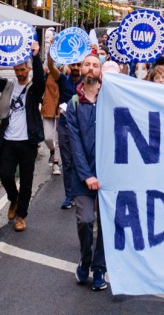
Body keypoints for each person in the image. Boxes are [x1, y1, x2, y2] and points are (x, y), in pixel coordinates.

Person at [0, 41, 45, 232]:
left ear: (27, 69)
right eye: (16, 70)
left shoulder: (34, 89)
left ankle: (21, 216)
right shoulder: (9, 86)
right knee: (5, 174)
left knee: (27, 180)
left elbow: (42, 79)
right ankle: (13, 198)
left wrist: (35, 56)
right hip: (9, 141)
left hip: (28, 142)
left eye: (22, 70)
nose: (19, 73)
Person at [67, 54, 108, 291]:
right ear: (80, 69)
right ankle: (85, 258)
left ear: (100, 71)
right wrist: (87, 175)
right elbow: (74, 143)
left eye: (95, 65)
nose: (90, 68)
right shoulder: (74, 103)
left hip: (109, 173)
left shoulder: (110, 98)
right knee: (85, 220)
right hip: (84, 176)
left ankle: (100, 268)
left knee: (105, 224)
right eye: (87, 64)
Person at [48, 54, 83, 210]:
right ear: (69, 66)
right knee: (67, 163)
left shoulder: (88, 81)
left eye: (78, 65)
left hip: (83, 128)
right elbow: (50, 67)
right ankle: (69, 196)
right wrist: (51, 50)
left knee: (79, 162)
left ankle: (82, 194)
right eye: (73, 65)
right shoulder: (63, 79)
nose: (75, 68)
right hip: (64, 126)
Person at [40, 69, 62, 175]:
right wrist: (44, 73)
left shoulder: (65, 73)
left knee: (57, 138)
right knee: (47, 137)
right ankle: (52, 151)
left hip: (61, 108)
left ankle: (56, 163)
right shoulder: (47, 72)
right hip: (48, 107)